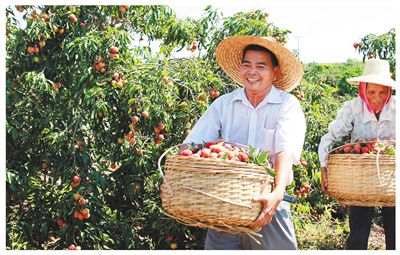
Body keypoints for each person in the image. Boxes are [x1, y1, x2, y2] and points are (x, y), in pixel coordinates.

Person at [183, 35, 306, 249]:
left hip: (268, 197)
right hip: (225, 199)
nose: (252, 72)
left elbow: (285, 152)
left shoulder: (286, 104)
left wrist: (277, 194)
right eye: (247, 65)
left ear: (274, 72)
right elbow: (192, 144)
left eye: (261, 66)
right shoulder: (224, 104)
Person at [318, 58, 396, 250]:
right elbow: (329, 138)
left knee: (396, 233)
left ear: (389, 92)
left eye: (382, 92)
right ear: (362, 89)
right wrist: (324, 167)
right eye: (371, 92)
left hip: (392, 178)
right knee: (358, 235)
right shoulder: (353, 108)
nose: (376, 97)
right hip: (360, 179)